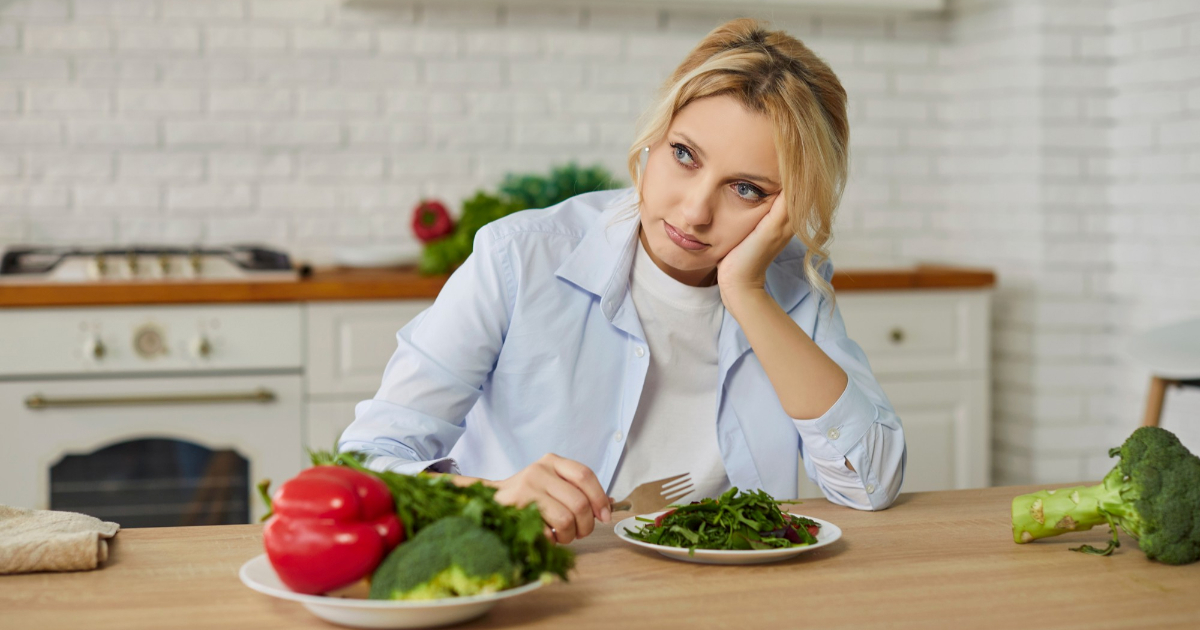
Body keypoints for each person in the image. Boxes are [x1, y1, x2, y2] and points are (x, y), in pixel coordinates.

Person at [339, 18, 906, 545]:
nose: (694, 212)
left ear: (787, 207)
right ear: (654, 138)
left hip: (727, 592)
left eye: (747, 189)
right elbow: (366, 462)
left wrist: (749, 295)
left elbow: (870, 484)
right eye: (684, 155)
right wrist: (497, 496)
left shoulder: (793, 287)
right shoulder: (519, 258)